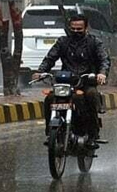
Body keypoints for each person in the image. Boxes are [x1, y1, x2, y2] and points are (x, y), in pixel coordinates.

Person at [33, 13, 110, 148]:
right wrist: (41, 71)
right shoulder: (63, 42)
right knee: (50, 99)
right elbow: (50, 58)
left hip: (86, 82)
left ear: (86, 28)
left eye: (79, 29)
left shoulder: (94, 42)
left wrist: (101, 74)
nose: (75, 31)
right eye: (73, 28)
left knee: (91, 96)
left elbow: (104, 59)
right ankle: (50, 132)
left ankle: (92, 134)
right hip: (66, 83)